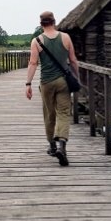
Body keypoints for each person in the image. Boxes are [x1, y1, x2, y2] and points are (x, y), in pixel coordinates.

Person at [25, 11, 79, 166]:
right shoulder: (66, 37)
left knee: (49, 114)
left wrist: (28, 84)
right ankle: (62, 145)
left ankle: (52, 145)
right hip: (63, 82)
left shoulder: (37, 41)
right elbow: (73, 60)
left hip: (46, 83)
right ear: (54, 22)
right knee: (63, 113)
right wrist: (77, 77)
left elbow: (33, 63)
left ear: (41, 24)